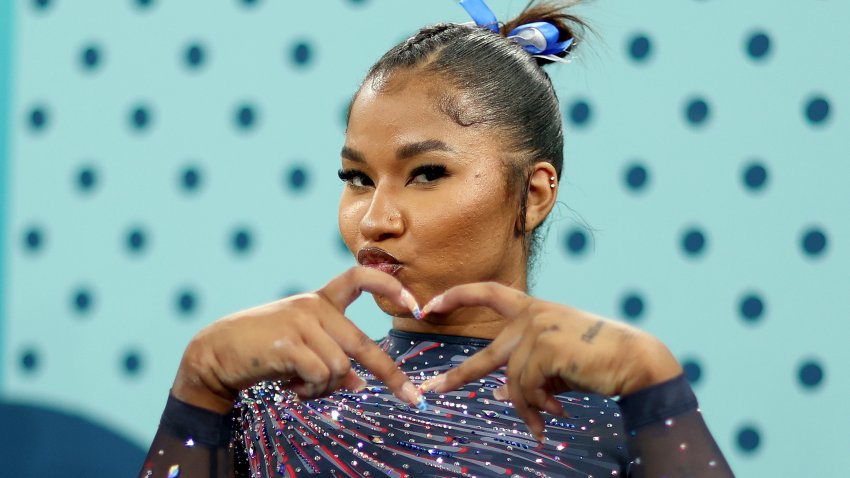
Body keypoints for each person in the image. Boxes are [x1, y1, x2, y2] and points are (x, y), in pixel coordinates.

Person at [139, 1, 734, 476]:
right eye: (356, 178)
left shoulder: (621, 414)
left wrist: (657, 392)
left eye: (426, 174)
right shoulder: (272, 403)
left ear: (533, 194)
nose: (374, 220)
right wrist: (200, 386)